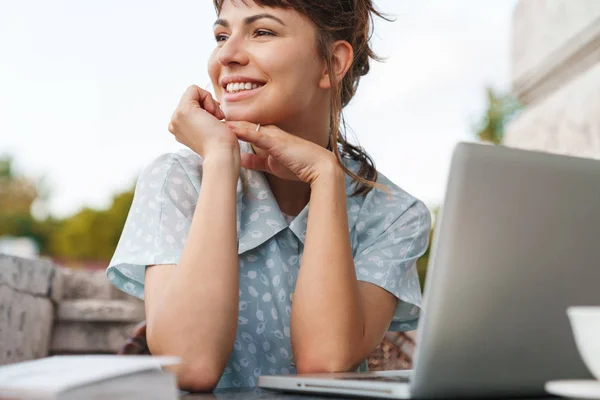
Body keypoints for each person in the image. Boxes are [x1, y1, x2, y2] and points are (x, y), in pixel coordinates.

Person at [106, 0, 431, 393]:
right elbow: (190, 366)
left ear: (333, 60)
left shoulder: (394, 214)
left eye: (262, 32)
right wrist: (222, 159)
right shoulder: (178, 179)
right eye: (221, 35)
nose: (226, 54)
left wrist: (325, 177)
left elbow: (323, 363)